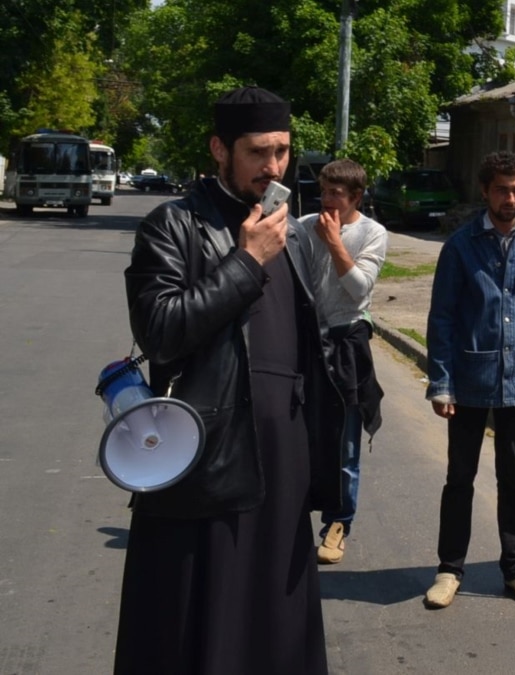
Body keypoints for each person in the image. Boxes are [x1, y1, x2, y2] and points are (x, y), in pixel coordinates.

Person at [117, 86, 344, 674]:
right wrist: (244, 261)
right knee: (199, 614)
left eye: (283, 152)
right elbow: (161, 331)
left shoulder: (288, 229)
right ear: (220, 149)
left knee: (276, 616)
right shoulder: (173, 225)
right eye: (257, 153)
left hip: (283, 454)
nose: (273, 168)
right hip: (207, 456)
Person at [422, 151, 515, 609]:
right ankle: (449, 569)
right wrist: (440, 382)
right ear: (485, 191)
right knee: (459, 476)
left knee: (514, 478)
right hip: (468, 380)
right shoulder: (461, 246)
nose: (511, 198)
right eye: (502, 189)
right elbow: (441, 319)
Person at [299, 158, 387, 564]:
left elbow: (358, 289)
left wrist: (334, 241)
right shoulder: (302, 226)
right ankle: (292, 516)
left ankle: (338, 524)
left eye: (336, 193)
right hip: (305, 339)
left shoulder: (372, 233)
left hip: (347, 339)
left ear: (356, 197)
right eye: (324, 190)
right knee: (299, 433)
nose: (327, 199)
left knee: (344, 444)